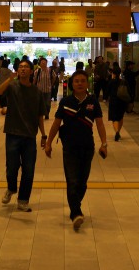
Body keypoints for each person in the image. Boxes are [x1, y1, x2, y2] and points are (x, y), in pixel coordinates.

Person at [44, 70, 108, 231]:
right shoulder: (66, 101)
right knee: (72, 181)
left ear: (87, 84)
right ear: (72, 84)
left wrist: (104, 143)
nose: (79, 83)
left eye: (82, 81)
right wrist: (49, 142)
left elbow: (99, 123)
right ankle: (76, 213)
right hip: (70, 148)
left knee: (82, 183)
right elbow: (56, 123)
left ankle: (75, 207)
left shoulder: (93, 101)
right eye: (76, 81)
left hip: (88, 147)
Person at [0, 59, 47, 212]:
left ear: (31, 71)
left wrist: (44, 135)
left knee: (29, 169)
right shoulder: (12, 86)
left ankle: (23, 200)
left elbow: (40, 116)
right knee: (11, 167)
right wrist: (10, 79)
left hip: (30, 136)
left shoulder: (36, 92)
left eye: (26, 67)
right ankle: (11, 188)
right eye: (20, 67)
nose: (23, 69)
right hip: (12, 133)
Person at [106, 67, 128, 141]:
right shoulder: (123, 81)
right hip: (122, 101)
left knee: (114, 118)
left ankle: (117, 132)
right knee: (120, 117)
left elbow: (107, 91)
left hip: (113, 101)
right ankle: (118, 132)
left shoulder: (111, 82)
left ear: (113, 74)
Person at [34, 57, 54, 122]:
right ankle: (40, 115)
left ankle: (46, 114)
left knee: (47, 104)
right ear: (40, 63)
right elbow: (35, 80)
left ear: (46, 63)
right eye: (42, 63)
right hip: (39, 90)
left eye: (44, 62)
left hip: (48, 90)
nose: (43, 64)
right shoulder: (37, 71)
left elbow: (54, 77)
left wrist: (51, 84)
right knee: (39, 103)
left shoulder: (50, 70)